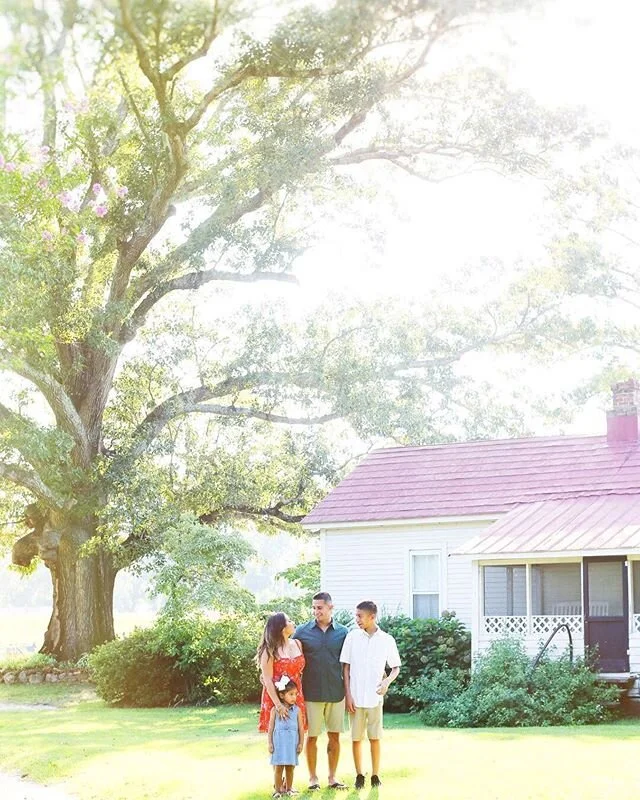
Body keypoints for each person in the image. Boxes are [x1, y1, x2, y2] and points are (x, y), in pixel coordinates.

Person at [340, 600, 401, 790]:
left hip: (375, 698)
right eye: (356, 615)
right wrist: (348, 695)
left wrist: (386, 682)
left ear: (372, 617)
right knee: (356, 738)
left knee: (375, 738)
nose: (356, 619)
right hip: (356, 697)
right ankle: (359, 775)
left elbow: (395, 668)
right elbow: (346, 669)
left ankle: (375, 775)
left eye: (360, 616)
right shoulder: (352, 637)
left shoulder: (387, 640)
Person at [292, 592, 349, 791]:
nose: (316, 611)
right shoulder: (301, 631)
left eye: (320, 608)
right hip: (311, 693)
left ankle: (332, 777)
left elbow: (349, 664)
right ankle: (313, 778)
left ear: (330, 608)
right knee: (312, 737)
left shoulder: (343, 632)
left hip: (336, 693)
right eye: (314, 608)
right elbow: (287, 653)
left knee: (335, 737)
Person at [258, 612, 307, 734]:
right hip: (277, 696)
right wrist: (279, 705)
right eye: (289, 621)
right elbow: (267, 679)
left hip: (296, 694)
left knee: (297, 734)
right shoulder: (269, 649)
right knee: (279, 735)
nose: (293, 623)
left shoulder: (297, 643)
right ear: (281, 627)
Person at [267, 677, 305, 798]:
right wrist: (270, 743)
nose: (294, 697)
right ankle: (277, 790)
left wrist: (301, 743)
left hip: (292, 744)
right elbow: (270, 728)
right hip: (279, 744)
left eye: (296, 694)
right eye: (291, 694)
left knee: (290, 767)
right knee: (278, 767)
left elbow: (301, 729)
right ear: (282, 695)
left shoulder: (297, 711)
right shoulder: (275, 710)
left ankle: (289, 789)